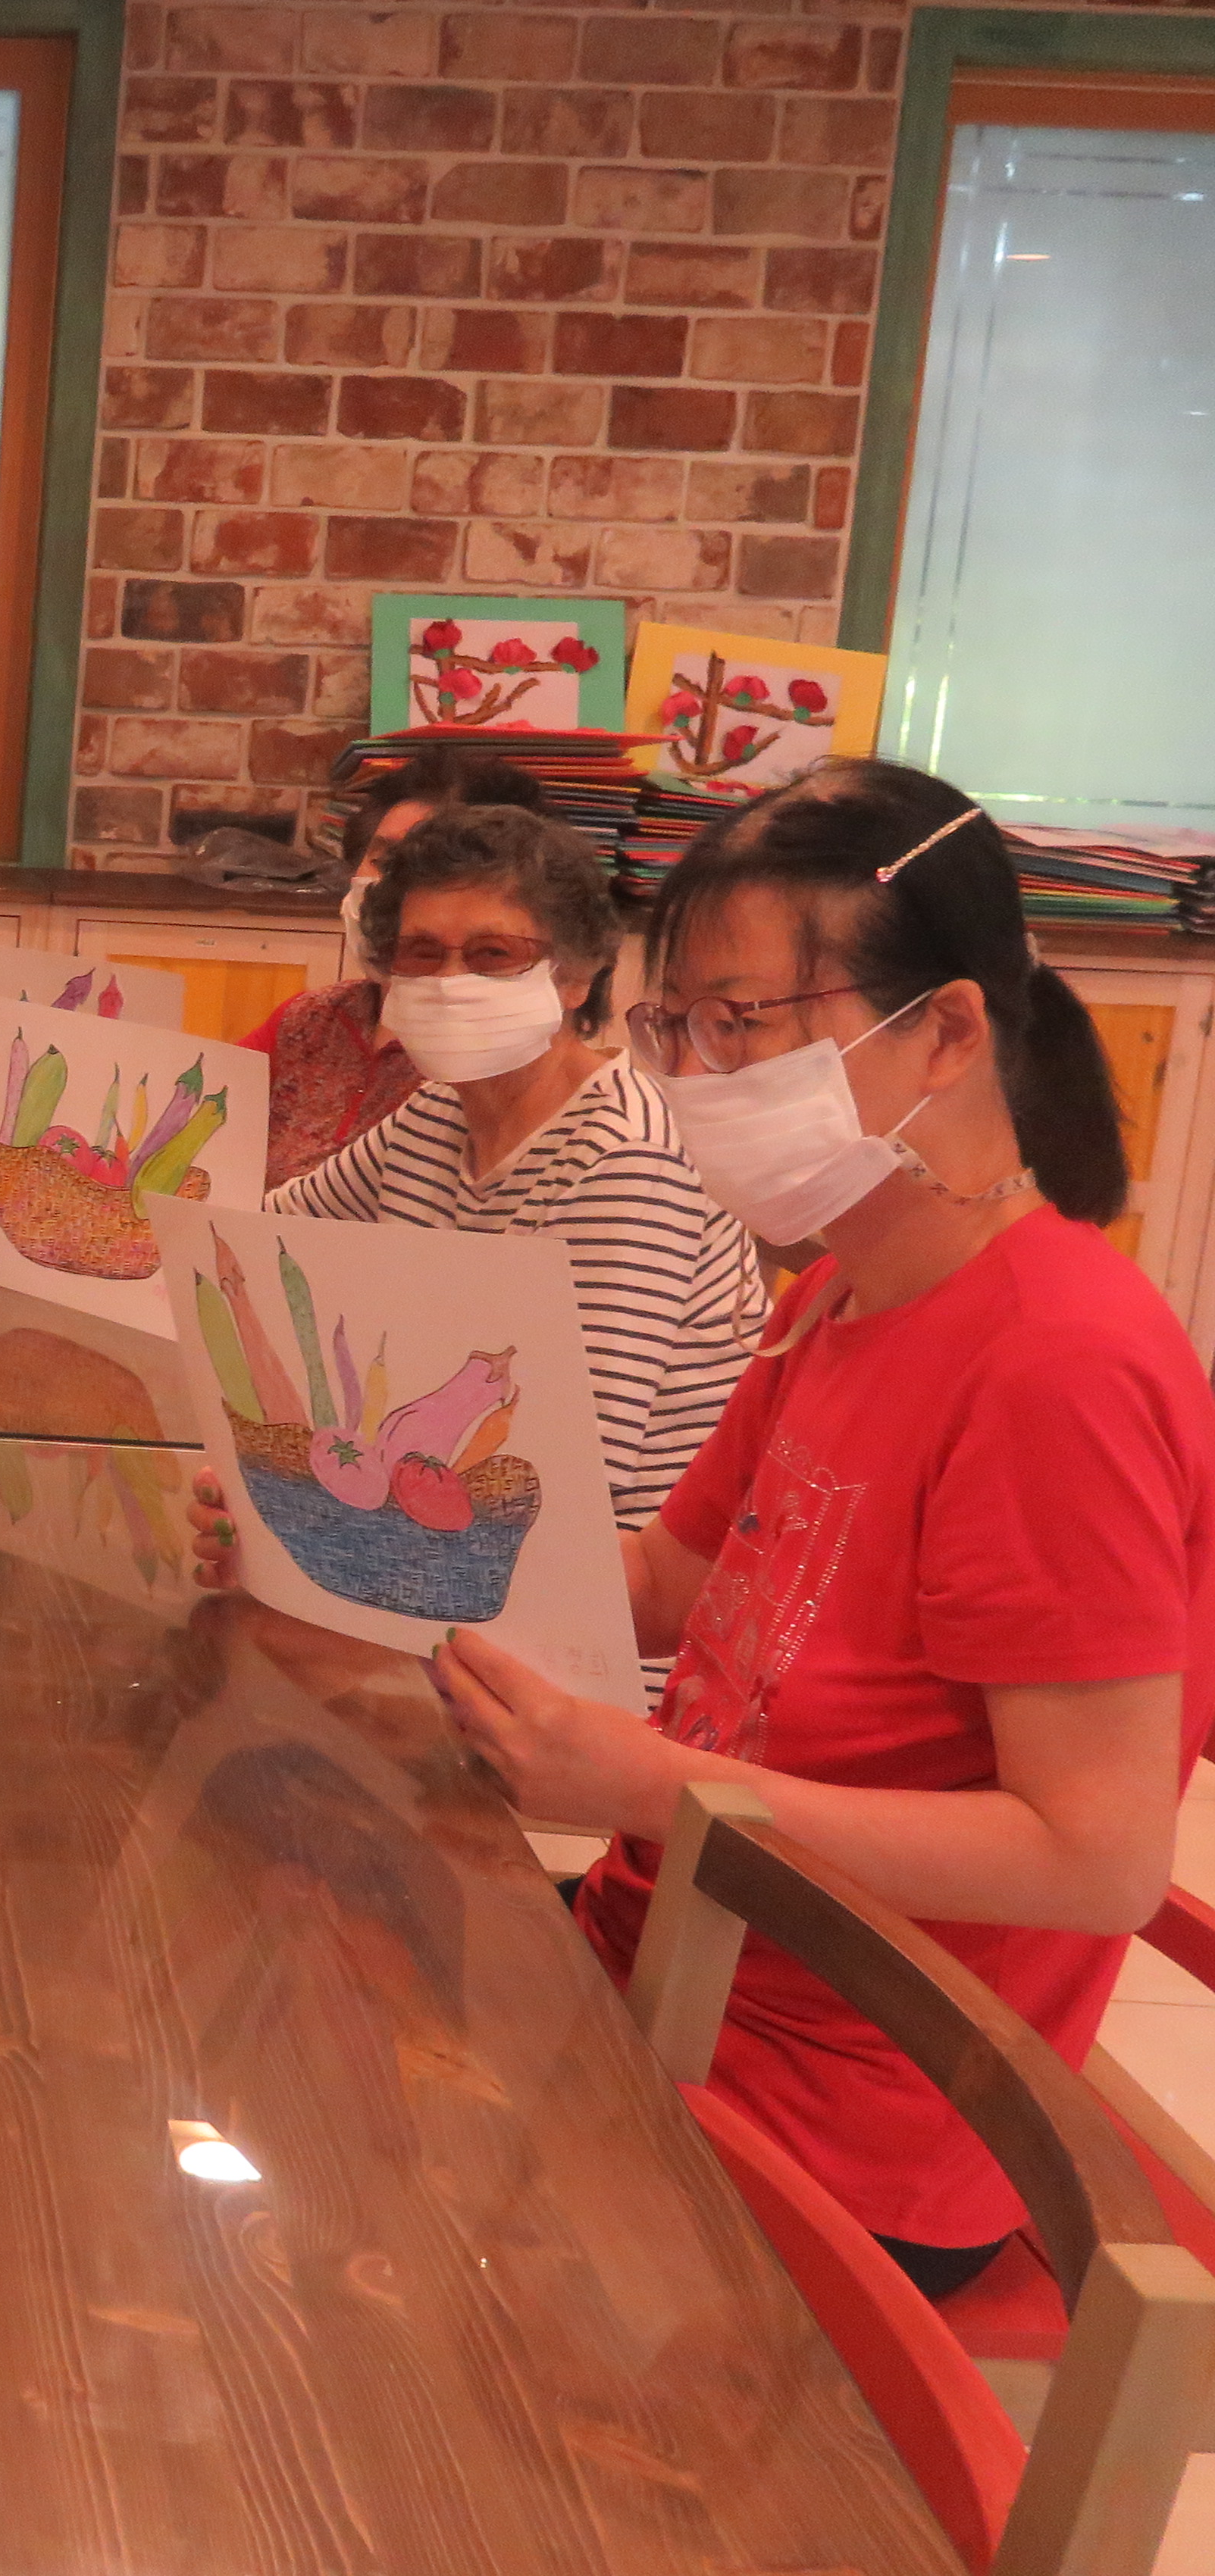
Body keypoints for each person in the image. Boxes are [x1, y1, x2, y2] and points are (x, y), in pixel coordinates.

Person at [208, 758, 1215, 2299]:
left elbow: (1096, 1859)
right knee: (257, 2018)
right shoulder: (843, 1293)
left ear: (945, 1030)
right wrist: (332, 1533)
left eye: (740, 1023)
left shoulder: (1058, 1363)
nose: (693, 1077)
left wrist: (656, 1788)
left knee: (316, 2254)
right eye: (674, 1027)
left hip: (845, 2112)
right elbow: (669, 1577)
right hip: (671, 1960)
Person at [267, 802, 762, 1530]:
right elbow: (267, 1234)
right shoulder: (436, 1114)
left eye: (493, 954)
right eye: (421, 954)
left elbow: (573, 1465)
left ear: (576, 975)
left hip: (617, 1565)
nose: (450, 981)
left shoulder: (627, 1154)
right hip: (453, 1513)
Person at [242, 745, 555, 1185]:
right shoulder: (310, 1021)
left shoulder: (500, 1058)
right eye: (383, 860)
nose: (389, 889)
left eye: (425, 868)